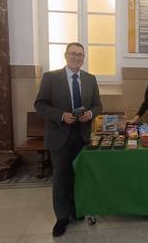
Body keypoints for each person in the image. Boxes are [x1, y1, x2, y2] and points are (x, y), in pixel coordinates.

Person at [34, 42, 102, 237]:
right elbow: (40, 104)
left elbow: (98, 105)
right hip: (59, 135)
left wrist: (90, 113)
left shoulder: (90, 79)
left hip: (82, 136)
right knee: (61, 176)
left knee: (79, 176)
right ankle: (62, 217)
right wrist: (61, 116)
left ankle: (76, 210)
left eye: (80, 55)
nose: (77, 57)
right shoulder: (51, 77)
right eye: (73, 54)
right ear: (66, 55)